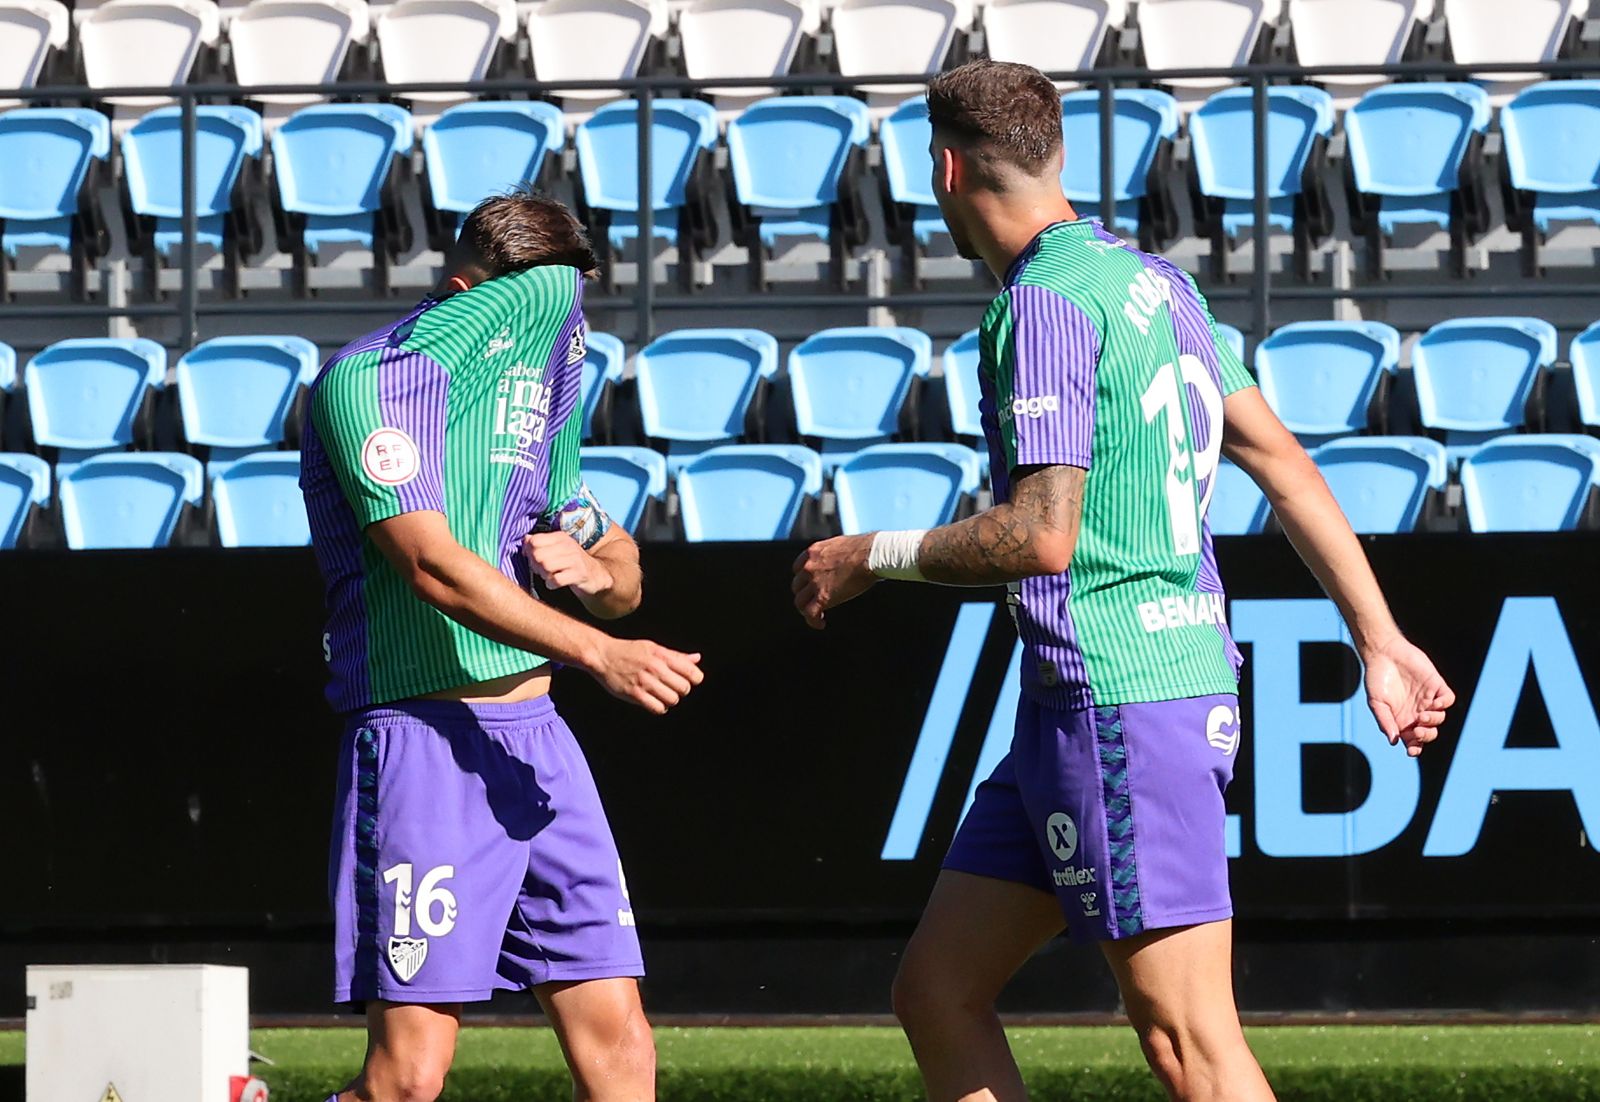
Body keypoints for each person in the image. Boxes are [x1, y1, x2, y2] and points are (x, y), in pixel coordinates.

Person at [791, 60, 1455, 1102]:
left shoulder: (1043, 304)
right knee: (937, 987)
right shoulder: (1155, 283)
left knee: (1188, 1039)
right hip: (1096, 697)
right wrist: (1379, 636)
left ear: (948, 166)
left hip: (1118, 696)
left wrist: (868, 554)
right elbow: (1282, 461)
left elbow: (1040, 537)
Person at [301, 187, 703, 1102]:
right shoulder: (369, 383)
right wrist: (602, 653)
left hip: (541, 744)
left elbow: (613, 552)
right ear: (461, 289)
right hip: (424, 742)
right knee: (407, 1079)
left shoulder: (532, 403)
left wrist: (605, 574)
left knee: (622, 1044)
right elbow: (433, 568)